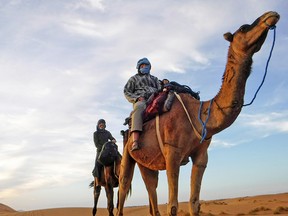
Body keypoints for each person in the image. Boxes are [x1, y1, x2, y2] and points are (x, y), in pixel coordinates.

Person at [124, 57, 161, 151]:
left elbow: (160, 88)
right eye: (142, 66)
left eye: (146, 66)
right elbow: (126, 91)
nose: (144, 67)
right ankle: (135, 140)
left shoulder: (155, 79)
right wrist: (136, 98)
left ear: (149, 67)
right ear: (139, 68)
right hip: (142, 100)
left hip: (155, 98)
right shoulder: (134, 79)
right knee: (139, 107)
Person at [92, 119, 116, 186]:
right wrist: (103, 148)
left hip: (108, 150)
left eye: (103, 123)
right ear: (98, 125)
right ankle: (96, 182)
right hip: (100, 151)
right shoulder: (95, 133)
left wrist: (113, 140)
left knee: (117, 157)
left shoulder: (107, 132)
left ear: (105, 125)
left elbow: (112, 138)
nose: (101, 125)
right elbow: (96, 145)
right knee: (97, 164)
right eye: (100, 124)